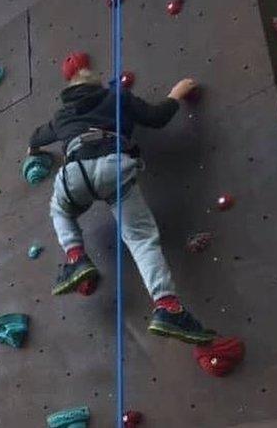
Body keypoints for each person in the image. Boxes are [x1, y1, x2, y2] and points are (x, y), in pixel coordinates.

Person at [27, 54, 214, 344]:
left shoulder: (62, 115)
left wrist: (32, 150)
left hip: (75, 171)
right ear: (95, 81)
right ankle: (168, 307)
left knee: (60, 210)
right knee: (140, 239)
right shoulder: (117, 97)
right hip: (114, 167)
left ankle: (76, 258)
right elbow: (156, 118)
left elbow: (38, 136)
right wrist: (176, 94)